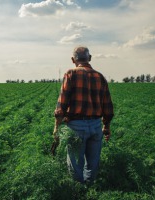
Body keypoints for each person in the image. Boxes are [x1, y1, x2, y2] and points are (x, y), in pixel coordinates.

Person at [53, 46, 114, 185]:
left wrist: (56, 126)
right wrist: (106, 126)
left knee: (75, 162)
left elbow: (62, 103)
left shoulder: (71, 74)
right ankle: (89, 187)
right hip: (96, 126)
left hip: (76, 127)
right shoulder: (100, 76)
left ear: (73, 59)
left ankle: (78, 190)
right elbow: (108, 106)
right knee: (93, 162)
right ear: (90, 58)